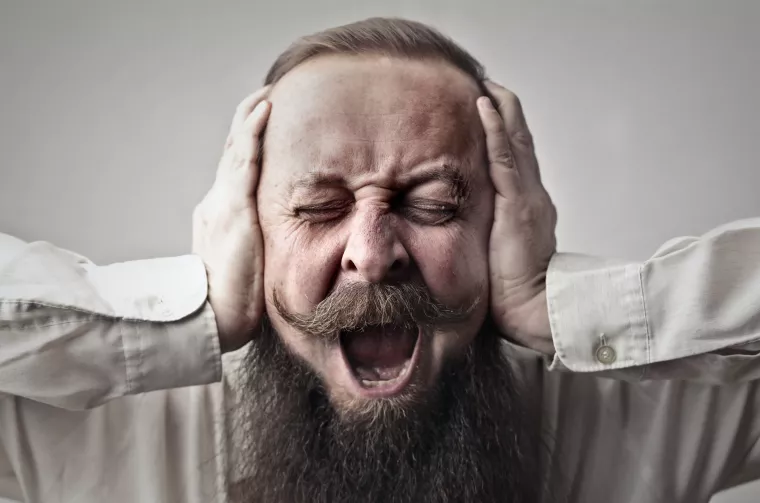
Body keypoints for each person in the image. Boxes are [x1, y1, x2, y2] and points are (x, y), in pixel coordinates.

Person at [1, 17, 759, 503]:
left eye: (432, 204)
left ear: (503, 224)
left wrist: (564, 309)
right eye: (318, 207)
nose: (372, 254)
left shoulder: (651, 417)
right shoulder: (91, 424)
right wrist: (187, 318)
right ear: (249, 232)